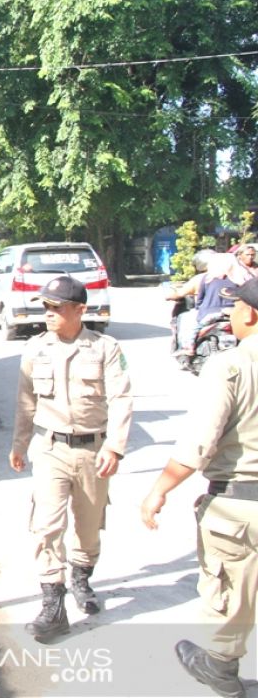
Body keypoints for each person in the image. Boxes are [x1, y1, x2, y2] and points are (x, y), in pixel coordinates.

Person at [142, 279, 258, 698]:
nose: (231, 314)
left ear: (250, 314)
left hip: (241, 504)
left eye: (236, 307)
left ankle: (221, 670)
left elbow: (199, 443)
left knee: (229, 591)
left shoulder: (232, 365)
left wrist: (160, 489)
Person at [10, 275, 132, 642]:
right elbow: (26, 401)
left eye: (56, 308)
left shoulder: (105, 348)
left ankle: (82, 576)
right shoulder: (35, 349)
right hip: (51, 449)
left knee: (89, 524)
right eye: (45, 307)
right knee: (46, 526)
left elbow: (122, 398)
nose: (48, 314)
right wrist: (19, 444)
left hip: (94, 451)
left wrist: (115, 446)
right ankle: (53, 603)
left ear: (80, 310)